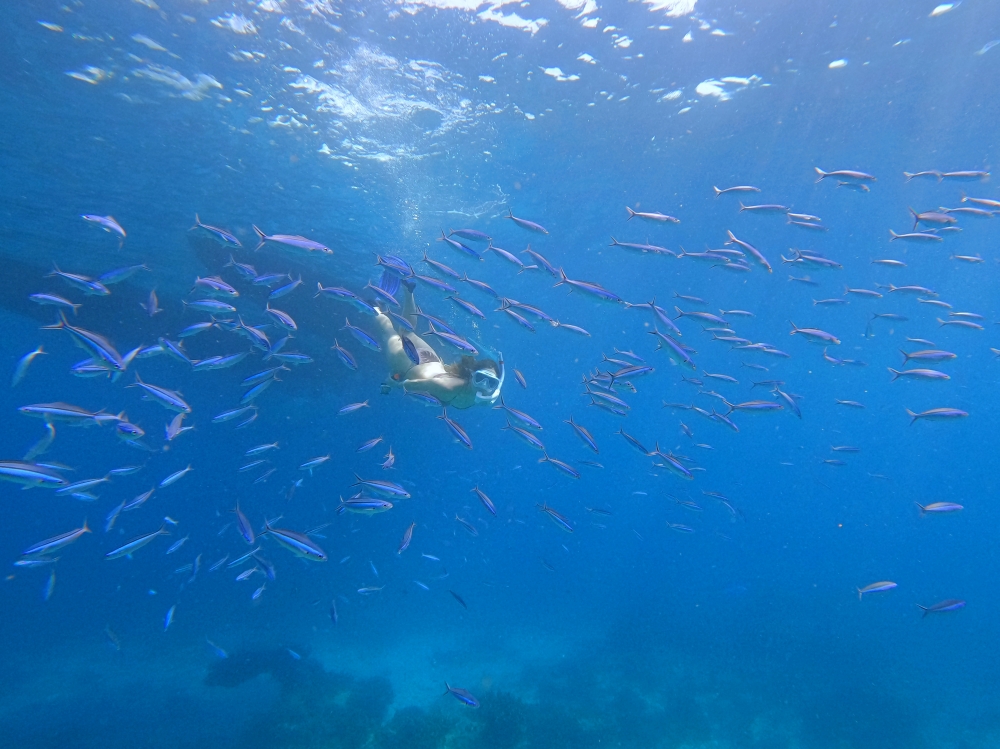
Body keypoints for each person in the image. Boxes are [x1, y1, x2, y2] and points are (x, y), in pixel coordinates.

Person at [372, 275, 503, 409]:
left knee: (407, 332)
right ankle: (373, 307)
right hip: (409, 366)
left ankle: (408, 290)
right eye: (480, 378)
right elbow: (416, 384)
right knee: (389, 334)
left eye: (491, 383)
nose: (484, 385)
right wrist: (394, 384)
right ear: (471, 376)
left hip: (432, 361)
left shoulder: (486, 396)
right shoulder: (448, 388)